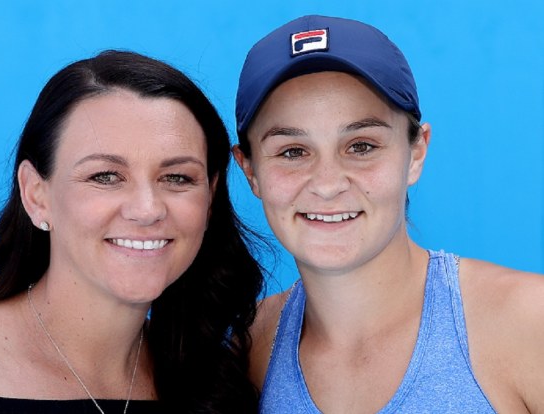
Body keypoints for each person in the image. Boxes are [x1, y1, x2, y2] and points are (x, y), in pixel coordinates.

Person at [0, 49, 266, 413]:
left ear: (210, 198)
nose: (147, 209)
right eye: (105, 176)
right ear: (36, 195)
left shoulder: (215, 381)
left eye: (177, 177)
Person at [232, 14, 544, 413]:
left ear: (416, 152)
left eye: (361, 146)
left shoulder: (526, 323)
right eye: (293, 152)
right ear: (251, 170)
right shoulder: (250, 348)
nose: (327, 184)